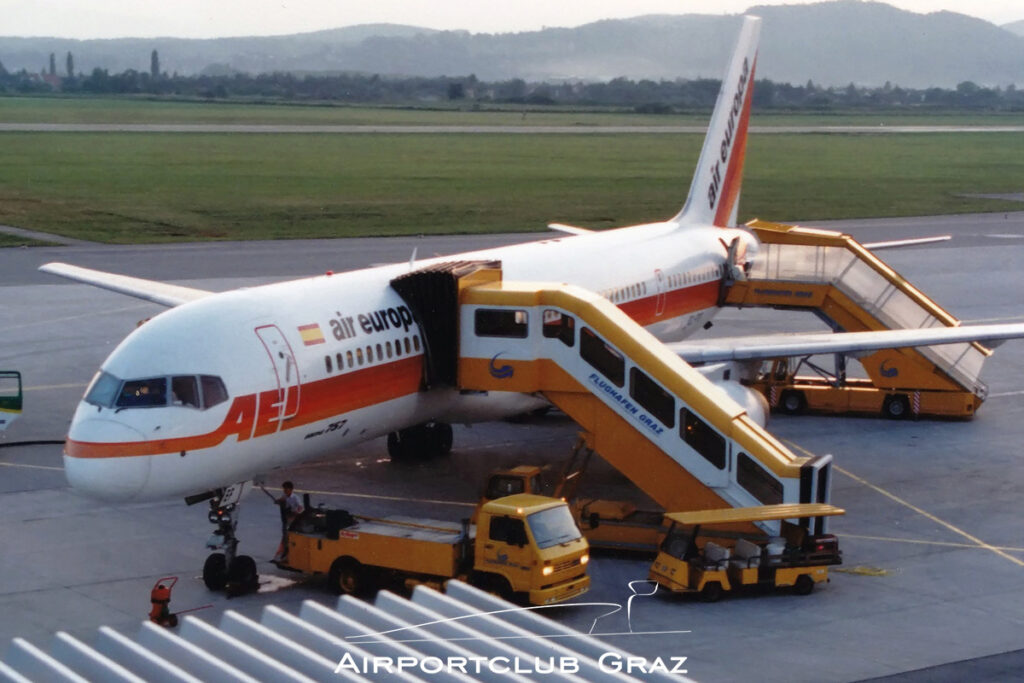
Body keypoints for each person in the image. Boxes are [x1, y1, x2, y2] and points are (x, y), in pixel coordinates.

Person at [272, 481, 304, 563]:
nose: (285, 491)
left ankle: (287, 554)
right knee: (285, 536)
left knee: (288, 537)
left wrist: (294, 515)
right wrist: (278, 502)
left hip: (292, 519)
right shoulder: (284, 496)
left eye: (286, 489)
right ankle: (283, 554)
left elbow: (300, 508)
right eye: (284, 489)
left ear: (291, 489)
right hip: (286, 518)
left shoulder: (295, 498)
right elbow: (280, 501)